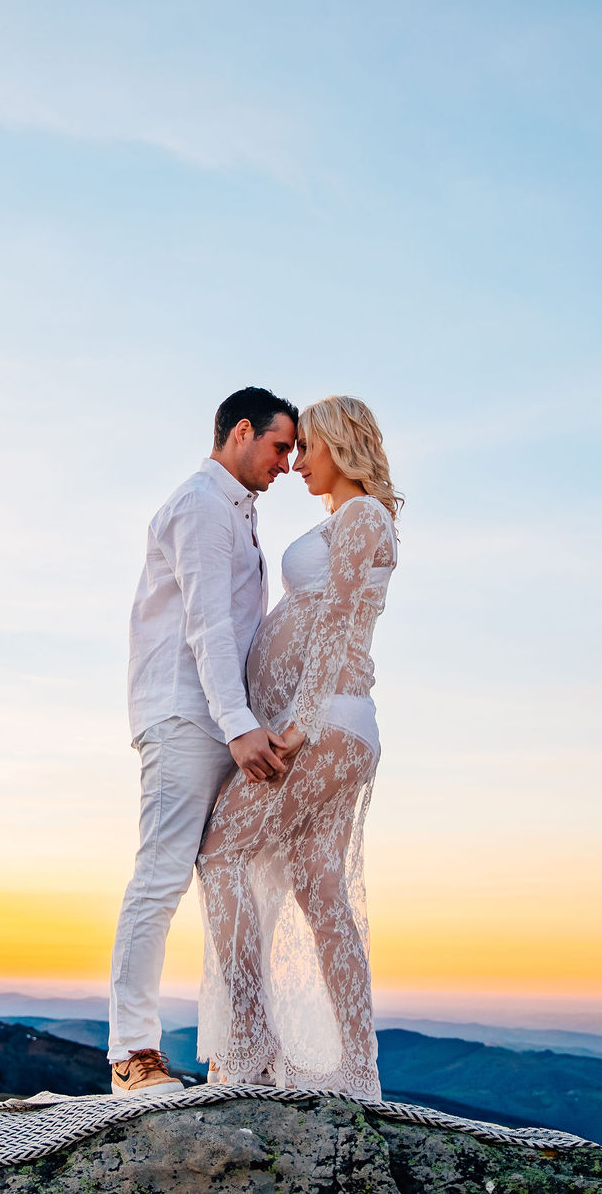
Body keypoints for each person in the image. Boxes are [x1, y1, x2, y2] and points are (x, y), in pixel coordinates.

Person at [196, 395, 401, 1101]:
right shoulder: (346, 519)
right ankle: (355, 1065)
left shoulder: (363, 516)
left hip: (327, 723)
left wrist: (299, 721)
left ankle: (250, 1043)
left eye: (307, 445)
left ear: (340, 444)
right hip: (340, 723)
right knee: (320, 889)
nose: (298, 460)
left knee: (220, 851)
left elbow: (340, 623)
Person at [107, 386, 301, 1095]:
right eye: (281, 446)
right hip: (189, 713)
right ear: (241, 431)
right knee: (160, 874)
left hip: (221, 715)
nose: (287, 463)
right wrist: (240, 723)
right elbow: (207, 624)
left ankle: (237, 1048)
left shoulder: (236, 513)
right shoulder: (199, 503)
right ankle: (131, 1052)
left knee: (227, 877)